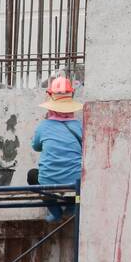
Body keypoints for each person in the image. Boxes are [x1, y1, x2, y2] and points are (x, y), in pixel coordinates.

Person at [31, 75, 83, 221]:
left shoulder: (43, 126)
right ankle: (72, 208)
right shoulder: (80, 126)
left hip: (48, 180)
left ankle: (55, 212)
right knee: (79, 182)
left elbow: (36, 147)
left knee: (32, 176)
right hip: (76, 181)